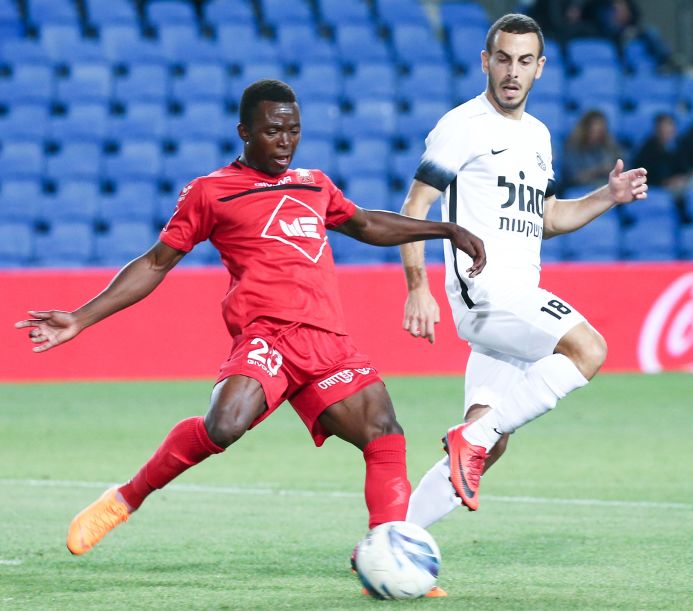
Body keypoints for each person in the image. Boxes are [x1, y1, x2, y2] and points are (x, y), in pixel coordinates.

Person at [15, 81, 486, 573]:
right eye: (272, 131)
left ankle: (388, 558)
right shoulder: (210, 192)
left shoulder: (314, 184)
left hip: (327, 341)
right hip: (268, 337)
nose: (285, 141)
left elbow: (366, 224)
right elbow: (155, 263)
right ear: (244, 132)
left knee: (384, 432)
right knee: (224, 425)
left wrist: (446, 229)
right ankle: (125, 498)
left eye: (294, 131)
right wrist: (81, 317)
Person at [397, 14, 647, 528]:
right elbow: (414, 208)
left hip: (516, 298)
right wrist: (418, 287)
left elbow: (546, 219)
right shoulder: (462, 126)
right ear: (485, 62)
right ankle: (473, 438)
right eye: (504, 59)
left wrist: (607, 196)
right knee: (589, 349)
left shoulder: (537, 135)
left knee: (490, 443)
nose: (513, 71)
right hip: (486, 292)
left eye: (525, 61)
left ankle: (393, 538)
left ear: (540, 68)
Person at [562, 109, 625, 189]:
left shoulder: (610, 146)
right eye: (594, 128)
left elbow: (623, 170)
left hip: (606, 187)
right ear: (585, 128)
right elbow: (576, 177)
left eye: (601, 128)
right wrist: (599, 170)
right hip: (580, 190)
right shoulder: (573, 148)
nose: (597, 132)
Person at [632, 112, 689, 195]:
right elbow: (642, 174)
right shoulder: (647, 149)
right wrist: (664, 182)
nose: (665, 132)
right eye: (661, 129)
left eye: (668, 129)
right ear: (656, 130)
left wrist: (681, 178)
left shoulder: (681, 145)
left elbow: (685, 169)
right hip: (654, 190)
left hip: (679, 187)